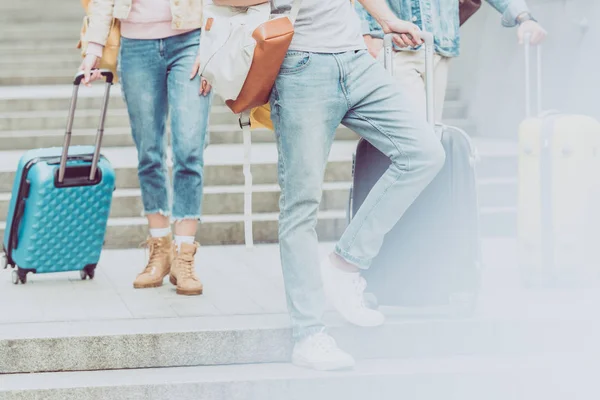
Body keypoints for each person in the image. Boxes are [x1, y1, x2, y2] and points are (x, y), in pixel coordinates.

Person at [266, 0, 446, 371]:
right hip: (300, 64)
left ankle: (345, 263)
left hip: (355, 59)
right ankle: (308, 333)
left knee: (425, 152)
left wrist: (387, 20)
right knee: (300, 204)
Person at [79, 0, 212, 295]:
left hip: (191, 40)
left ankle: (184, 255)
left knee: (189, 149)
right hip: (136, 46)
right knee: (148, 152)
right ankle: (160, 249)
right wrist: (94, 47)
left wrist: (212, 42)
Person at [355, 0, 547, 122]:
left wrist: (524, 18)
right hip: (396, 49)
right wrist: (365, 33)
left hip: (439, 49)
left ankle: (425, 187)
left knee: (431, 135)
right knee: (413, 136)